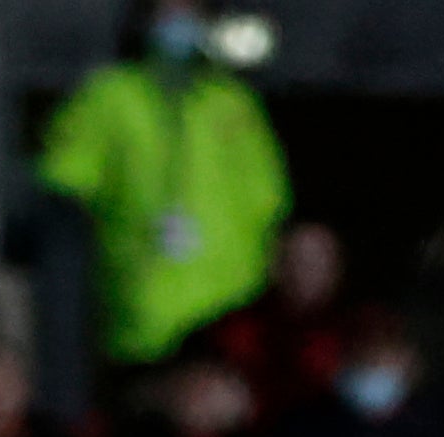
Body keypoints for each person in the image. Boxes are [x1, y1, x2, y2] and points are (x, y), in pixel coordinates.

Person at [35, 0, 290, 373]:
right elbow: (65, 183)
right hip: (142, 315)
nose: (180, 24)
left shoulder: (232, 102)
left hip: (230, 316)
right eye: (168, 13)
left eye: (190, 13)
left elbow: (270, 200)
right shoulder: (109, 96)